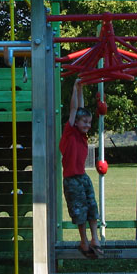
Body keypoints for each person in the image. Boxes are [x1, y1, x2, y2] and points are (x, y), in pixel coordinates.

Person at [59, 78, 103, 259]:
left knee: (92, 207)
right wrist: (74, 88)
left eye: (89, 122)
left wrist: (81, 88)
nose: (87, 125)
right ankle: (83, 241)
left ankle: (95, 239)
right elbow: (74, 110)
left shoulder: (82, 135)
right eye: (84, 122)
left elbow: (81, 109)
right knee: (79, 211)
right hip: (71, 179)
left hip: (83, 177)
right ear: (76, 122)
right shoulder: (70, 132)